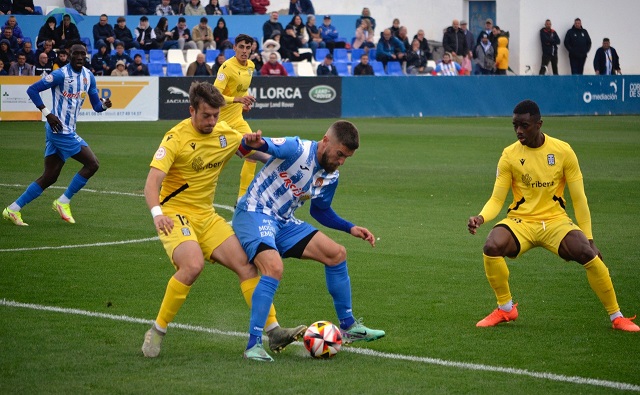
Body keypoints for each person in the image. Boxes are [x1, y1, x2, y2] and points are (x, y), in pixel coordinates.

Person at [141, 81, 306, 358]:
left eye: (216, 115)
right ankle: (157, 330)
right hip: (175, 214)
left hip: (206, 215)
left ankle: (274, 331)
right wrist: (157, 214)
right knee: (192, 265)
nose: (212, 121)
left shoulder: (224, 133)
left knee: (247, 265)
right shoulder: (175, 138)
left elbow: (257, 154)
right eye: (206, 115)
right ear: (191, 110)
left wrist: (279, 157)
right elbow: (151, 183)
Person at [467, 99, 639, 332]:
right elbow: (497, 199)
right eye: (515, 125)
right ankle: (506, 309)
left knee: (588, 254)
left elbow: (579, 198)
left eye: (524, 125)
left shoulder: (563, 151)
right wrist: (481, 217)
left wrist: (589, 238)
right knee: (492, 245)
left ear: (539, 124)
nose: (519, 131)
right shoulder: (509, 155)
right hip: (521, 221)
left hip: (556, 221)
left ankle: (617, 317)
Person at [233, 121, 386, 361]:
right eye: (340, 154)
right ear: (326, 141)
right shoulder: (296, 148)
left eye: (347, 157)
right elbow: (256, 146)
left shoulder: (331, 175)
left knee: (336, 253)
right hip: (254, 212)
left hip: (284, 221)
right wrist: (252, 142)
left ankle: (348, 326)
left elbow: (320, 211)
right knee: (273, 267)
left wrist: (350, 227)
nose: (342, 161)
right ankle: (253, 345)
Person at [3, 43, 112, 227]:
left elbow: (96, 106)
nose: (79, 57)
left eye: (82, 54)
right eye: (75, 53)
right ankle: (63, 201)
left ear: (86, 56)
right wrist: (48, 114)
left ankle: (13, 209)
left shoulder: (88, 76)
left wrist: (104, 106)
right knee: (92, 164)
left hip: (67, 130)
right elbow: (32, 90)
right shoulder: (61, 74)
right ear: (69, 55)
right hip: (60, 131)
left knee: (50, 176)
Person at [213, 34, 260, 206]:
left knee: (253, 151)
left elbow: (241, 90)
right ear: (234, 48)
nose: (245, 51)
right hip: (221, 124)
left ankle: (242, 198)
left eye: (248, 48)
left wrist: (245, 101)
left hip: (238, 120)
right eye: (241, 47)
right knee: (216, 166)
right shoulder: (226, 67)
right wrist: (237, 100)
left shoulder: (251, 66)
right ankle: (196, 193)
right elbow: (215, 94)